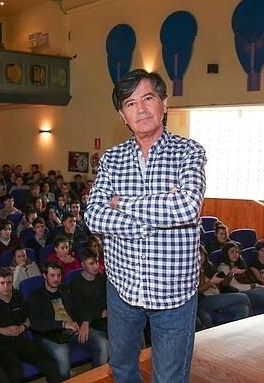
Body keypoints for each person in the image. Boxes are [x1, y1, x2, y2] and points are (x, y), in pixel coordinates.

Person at [85, 69, 207, 382]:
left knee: (169, 377)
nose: (140, 108)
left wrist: (123, 202)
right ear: (122, 115)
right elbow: (94, 216)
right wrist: (150, 222)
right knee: (123, 368)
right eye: (130, 103)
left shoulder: (188, 152)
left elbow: (186, 207)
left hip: (174, 291)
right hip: (123, 287)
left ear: (164, 104)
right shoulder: (111, 159)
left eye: (148, 98)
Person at [0, 268, 61, 383]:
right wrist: (2, 330)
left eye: (9, 283)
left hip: (19, 340)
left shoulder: (16, 295)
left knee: (49, 363)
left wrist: (23, 326)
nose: (6, 286)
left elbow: (30, 317)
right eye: (2, 283)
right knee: (15, 372)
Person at [28, 262, 108, 380]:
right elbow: (36, 322)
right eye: (52, 275)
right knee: (62, 354)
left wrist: (85, 322)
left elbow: (81, 307)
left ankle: (97, 378)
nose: (56, 279)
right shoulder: (36, 296)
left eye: (59, 275)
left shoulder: (66, 290)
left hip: (74, 329)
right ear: (45, 276)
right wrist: (63, 324)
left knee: (103, 344)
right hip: (51, 334)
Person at [216, 241, 264, 313]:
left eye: (237, 252)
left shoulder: (240, 265)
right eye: (232, 252)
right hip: (241, 295)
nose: (236, 254)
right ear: (226, 254)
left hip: (253, 292)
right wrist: (255, 286)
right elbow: (236, 286)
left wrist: (257, 286)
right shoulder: (223, 267)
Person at [196, 245, 251, 330]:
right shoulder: (193, 271)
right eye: (197, 255)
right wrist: (211, 282)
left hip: (217, 297)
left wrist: (230, 274)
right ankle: (251, 328)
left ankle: (232, 333)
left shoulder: (209, 267)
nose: (199, 258)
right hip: (205, 300)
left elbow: (224, 285)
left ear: (205, 255)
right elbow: (197, 292)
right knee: (243, 297)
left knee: (243, 308)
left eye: (201, 255)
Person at [69, 249, 109, 344]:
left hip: (102, 318)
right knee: (102, 344)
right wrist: (86, 321)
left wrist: (106, 308)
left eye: (96, 262)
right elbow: (79, 306)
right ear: (83, 265)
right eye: (91, 264)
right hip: (86, 321)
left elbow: (104, 298)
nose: (96, 266)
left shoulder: (101, 278)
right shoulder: (76, 283)